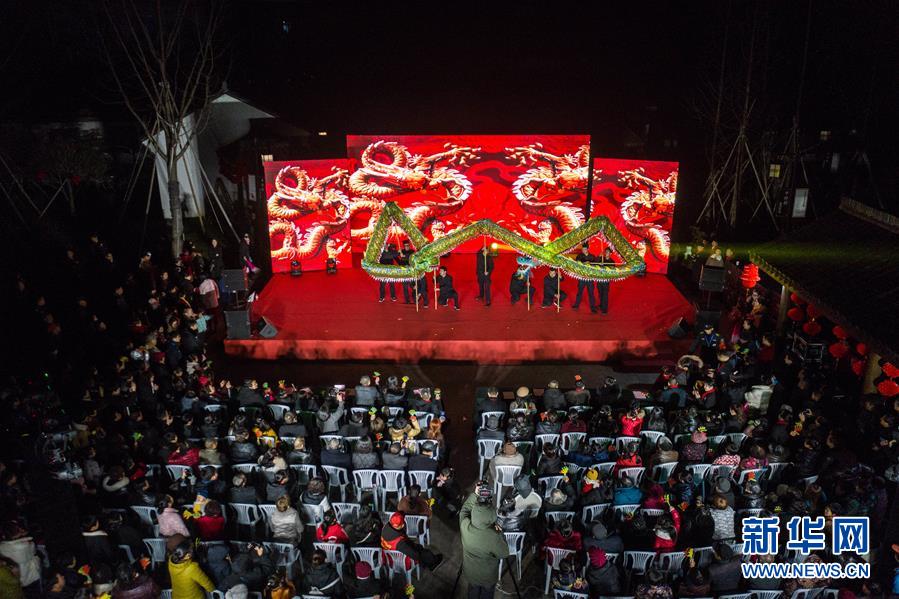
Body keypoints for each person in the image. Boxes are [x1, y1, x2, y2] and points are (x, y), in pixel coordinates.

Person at [459, 485, 510, 599]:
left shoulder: (465, 525)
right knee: (487, 595)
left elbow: (464, 510)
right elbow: (504, 553)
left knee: (472, 592)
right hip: (487, 577)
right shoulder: (493, 536)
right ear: (491, 517)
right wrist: (499, 532)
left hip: (471, 573)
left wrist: (475, 494)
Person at [572, 244, 598, 312]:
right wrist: (583, 263)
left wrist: (590, 264)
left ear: (587, 249)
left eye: (585, 249)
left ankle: (593, 308)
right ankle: (576, 305)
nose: (583, 250)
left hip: (589, 277)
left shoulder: (592, 256)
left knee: (591, 293)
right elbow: (576, 265)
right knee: (579, 291)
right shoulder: (579, 256)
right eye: (582, 249)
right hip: (582, 277)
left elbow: (596, 266)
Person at [596, 247, 614, 314]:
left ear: (610, 253)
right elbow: (595, 263)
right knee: (600, 294)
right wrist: (599, 257)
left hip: (606, 280)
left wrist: (605, 267)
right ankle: (601, 305)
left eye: (608, 252)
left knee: (605, 295)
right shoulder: (601, 259)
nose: (606, 253)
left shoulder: (612, 262)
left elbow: (612, 271)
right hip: (599, 279)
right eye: (605, 252)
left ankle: (604, 309)